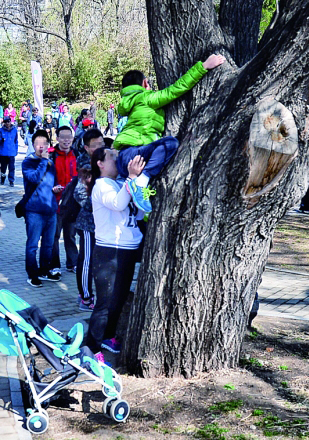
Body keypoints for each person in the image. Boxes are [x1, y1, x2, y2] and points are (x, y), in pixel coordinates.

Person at [114, 54, 226, 213]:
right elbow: (175, 90)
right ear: (145, 83)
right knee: (170, 144)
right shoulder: (146, 97)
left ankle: (141, 198)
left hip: (124, 158)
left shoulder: (128, 103)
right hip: (137, 154)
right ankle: (140, 183)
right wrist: (204, 66)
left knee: (140, 212)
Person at [85, 147, 145, 362]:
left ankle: (108, 337)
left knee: (118, 299)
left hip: (128, 248)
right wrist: (132, 177)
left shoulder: (120, 183)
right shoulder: (101, 185)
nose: (118, 160)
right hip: (109, 250)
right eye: (112, 157)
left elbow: (140, 210)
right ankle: (90, 348)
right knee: (105, 302)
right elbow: (118, 203)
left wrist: (139, 182)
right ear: (100, 163)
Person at [22, 130, 59, 287]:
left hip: (50, 209)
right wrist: (44, 161)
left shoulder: (51, 163)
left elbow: (51, 182)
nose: (41, 146)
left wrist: (55, 188)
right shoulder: (27, 162)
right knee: (32, 245)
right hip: (34, 211)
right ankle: (32, 274)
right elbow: (34, 178)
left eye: (44, 143)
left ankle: (44, 270)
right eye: (38, 143)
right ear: (33, 145)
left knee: (48, 244)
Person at [48, 126, 79, 275]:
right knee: (54, 235)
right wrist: (52, 187)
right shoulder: (51, 157)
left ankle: (72, 263)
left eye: (69, 137)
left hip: (73, 204)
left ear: (72, 139)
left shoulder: (78, 155)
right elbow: (45, 178)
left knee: (70, 235)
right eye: (63, 136)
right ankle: (54, 265)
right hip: (56, 203)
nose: (66, 140)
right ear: (57, 138)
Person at [74, 165, 96, 311]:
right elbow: (82, 199)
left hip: (101, 228)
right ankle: (85, 297)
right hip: (88, 226)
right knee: (86, 261)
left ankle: (87, 295)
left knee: (92, 261)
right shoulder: (87, 172)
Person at [0, 116, 18, 186]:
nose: (7, 123)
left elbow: (16, 141)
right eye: (6, 122)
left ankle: (11, 181)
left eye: (8, 122)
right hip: (3, 152)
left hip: (11, 152)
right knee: (3, 168)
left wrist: (16, 150)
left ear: (10, 122)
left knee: (11, 168)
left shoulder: (14, 130)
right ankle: (2, 179)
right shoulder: (1, 130)